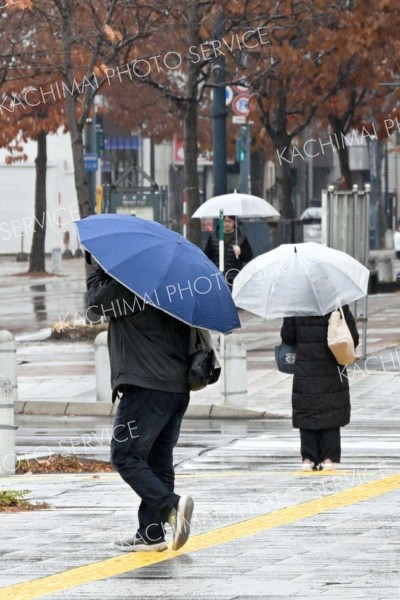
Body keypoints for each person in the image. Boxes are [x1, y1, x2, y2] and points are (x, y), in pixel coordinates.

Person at [86, 255, 194, 553]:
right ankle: (151, 533)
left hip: (146, 386)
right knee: (158, 459)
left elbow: (95, 307)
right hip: (177, 387)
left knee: (125, 455)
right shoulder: (175, 286)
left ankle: (171, 507)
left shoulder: (134, 283)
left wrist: (96, 272)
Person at [280, 306, 359, 471]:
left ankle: (308, 458)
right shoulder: (336, 303)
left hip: (305, 369)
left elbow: (288, 337)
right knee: (330, 411)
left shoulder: (297, 307)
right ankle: (329, 457)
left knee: (307, 410)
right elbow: (353, 337)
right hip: (332, 366)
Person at [204, 215, 253, 286]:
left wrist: (241, 252)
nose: (227, 224)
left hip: (234, 278)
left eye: (230, 221)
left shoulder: (241, 239)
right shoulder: (213, 238)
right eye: (225, 221)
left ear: (234, 222)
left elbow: (249, 256)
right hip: (216, 277)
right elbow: (206, 257)